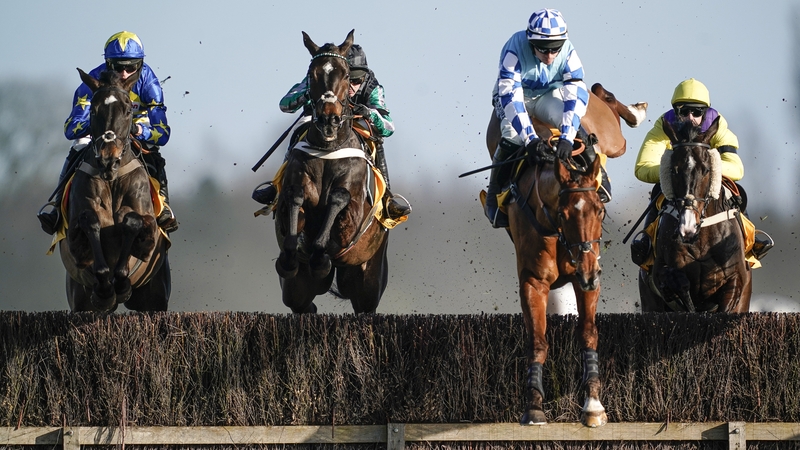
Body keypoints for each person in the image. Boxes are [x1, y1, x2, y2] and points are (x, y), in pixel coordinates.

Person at [37, 31, 177, 235]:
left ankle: (164, 208)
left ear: (140, 65)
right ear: (108, 64)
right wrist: (100, 126)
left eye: (132, 67)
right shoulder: (92, 81)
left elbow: (162, 133)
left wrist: (137, 129)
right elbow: (71, 128)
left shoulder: (149, 82)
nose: (125, 74)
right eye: (119, 67)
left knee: (152, 148)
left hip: (134, 126)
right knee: (79, 144)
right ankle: (57, 208)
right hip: (100, 130)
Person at [252, 44, 411, 219]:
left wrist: (369, 113)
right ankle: (277, 187)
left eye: (356, 81)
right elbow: (285, 104)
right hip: (318, 121)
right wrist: (308, 95)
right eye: (347, 80)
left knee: (377, 140)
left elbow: (389, 127)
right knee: (300, 127)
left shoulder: (373, 87)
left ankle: (387, 198)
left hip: (354, 123)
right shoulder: (319, 77)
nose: (350, 86)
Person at [485, 8, 611, 228]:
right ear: (531, 42)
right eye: (543, 50)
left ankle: (597, 174)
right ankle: (493, 196)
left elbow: (575, 97)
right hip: (514, 95)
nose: (550, 56)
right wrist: (531, 140)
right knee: (512, 134)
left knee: (566, 117)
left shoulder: (569, 52)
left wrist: (566, 137)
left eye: (555, 49)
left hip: (545, 95)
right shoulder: (514, 49)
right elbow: (512, 100)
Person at [630, 78, 773, 263]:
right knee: (658, 190)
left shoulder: (718, 125)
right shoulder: (664, 125)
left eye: (697, 111)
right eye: (684, 111)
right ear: (675, 111)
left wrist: (705, 170)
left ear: (705, 113)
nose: (690, 117)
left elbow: (737, 168)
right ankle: (646, 241)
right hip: (679, 183)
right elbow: (642, 167)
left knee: (734, 190)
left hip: (707, 180)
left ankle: (751, 239)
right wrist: (674, 171)